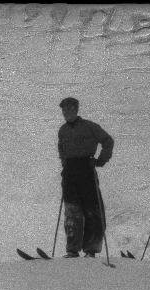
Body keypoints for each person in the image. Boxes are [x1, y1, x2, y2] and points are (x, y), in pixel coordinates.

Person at [58, 97, 113, 258]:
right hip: (69, 171)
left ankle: (91, 249)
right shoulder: (62, 130)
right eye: (64, 110)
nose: (67, 112)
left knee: (92, 210)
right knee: (71, 211)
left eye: (70, 109)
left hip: (86, 169)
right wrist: (64, 164)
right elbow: (61, 148)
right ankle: (72, 249)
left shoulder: (90, 126)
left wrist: (100, 160)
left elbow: (108, 141)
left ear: (76, 109)